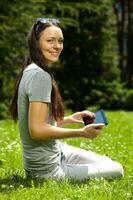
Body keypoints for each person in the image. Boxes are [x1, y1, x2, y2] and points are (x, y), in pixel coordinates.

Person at [10, 18, 124, 182]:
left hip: (56, 153)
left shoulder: (31, 69)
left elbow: (37, 121)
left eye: (60, 41)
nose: (57, 46)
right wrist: (81, 133)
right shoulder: (40, 76)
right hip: (47, 170)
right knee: (117, 169)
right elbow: (36, 130)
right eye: (50, 41)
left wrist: (70, 119)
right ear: (36, 43)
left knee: (106, 162)